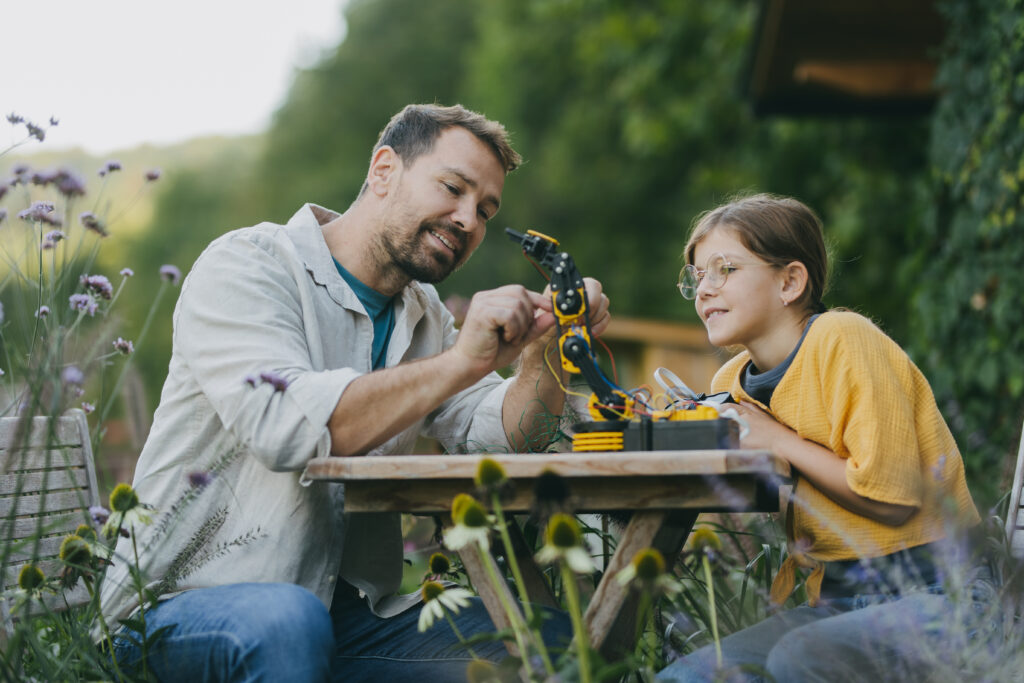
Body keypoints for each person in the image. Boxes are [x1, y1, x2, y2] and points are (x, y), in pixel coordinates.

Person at [99, 104, 608, 682]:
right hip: (182, 606)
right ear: (384, 169)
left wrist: (547, 348)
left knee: (556, 646)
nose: (468, 218)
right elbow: (285, 427)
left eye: (485, 209)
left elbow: (499, 436)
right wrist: (463, 360)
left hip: (347, 618)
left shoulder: (425, 316)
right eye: (453, 188)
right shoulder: (247, 266)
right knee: (287, 624)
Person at [658, 194, 987, 682]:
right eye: (697, 275)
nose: (704, 288)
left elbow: (894, 500)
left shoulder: (843, 338)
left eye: (724, 269)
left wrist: (777, 440)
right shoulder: (729, 383)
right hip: (836, 602)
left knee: (800, 658)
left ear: (790, 281)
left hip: (944, 592)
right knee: (685, 677)